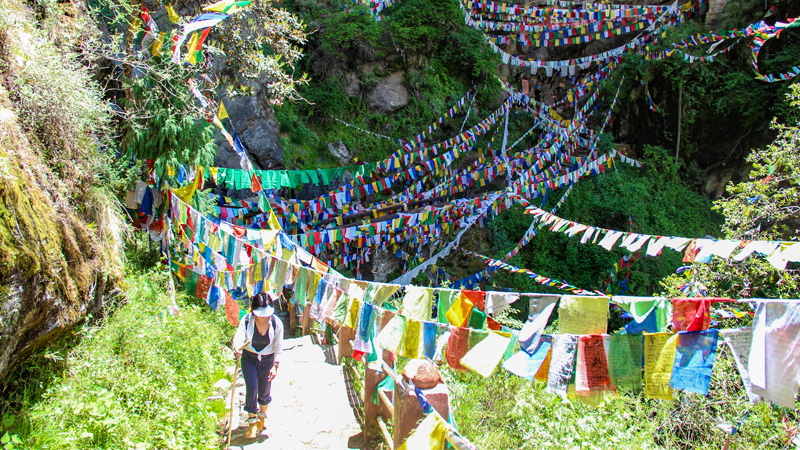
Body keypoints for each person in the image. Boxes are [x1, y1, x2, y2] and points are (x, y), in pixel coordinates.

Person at [232, 292, 284, 438]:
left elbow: (279, 346)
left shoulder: (276, 323)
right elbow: (239, 335)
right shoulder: (247, 320)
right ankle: (252, 422)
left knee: (264, 390)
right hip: (249, 357)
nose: (263, 316)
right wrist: (237, 346)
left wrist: (275, 366)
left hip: (268, 359)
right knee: (252, 387)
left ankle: (262, 416)